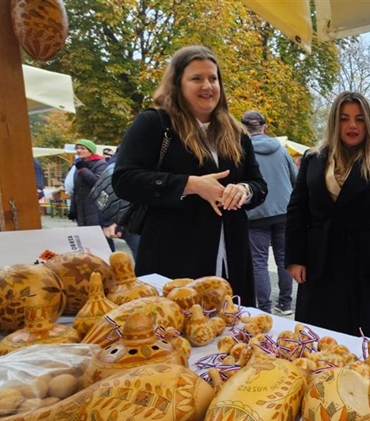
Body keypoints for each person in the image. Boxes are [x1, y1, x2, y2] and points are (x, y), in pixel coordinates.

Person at [112, 45, 267, 306]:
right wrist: (189, 184)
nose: (207, 85)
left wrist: (244, 190)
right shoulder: (155, 124)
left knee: (232, 332)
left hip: (232, 254)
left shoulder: (235, 131)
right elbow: (124, 179)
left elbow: (259, 184)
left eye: (213, 78)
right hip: (175, 255)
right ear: (178, 84)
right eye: (196, 78)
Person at [286, 91, 370, 344]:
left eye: (359, 119)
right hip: (319, 260)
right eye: (345, 118)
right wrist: (294, 259)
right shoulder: (313, 158)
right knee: (317, 338)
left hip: (364, 265)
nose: (352, 125)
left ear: (367, 123)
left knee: (363, 339)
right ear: (334, 122)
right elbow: (297, 210)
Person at [241, 109, 298, 316]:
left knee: (258, 261)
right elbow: (296, 179)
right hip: (284, 213)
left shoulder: (241, 151)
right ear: (265, 127)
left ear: (244, 129)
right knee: (284, 258)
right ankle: (285, 304)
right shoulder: (281, 149)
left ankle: (264, 308)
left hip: (255, 214)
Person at [90, 152, 141, 256]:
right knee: (147, 263)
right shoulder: (136, 146)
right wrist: (109, 221)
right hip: (135, 217)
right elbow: (111, 183)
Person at [71, 139, 113, 250]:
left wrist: (82, 169)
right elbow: (76, 190)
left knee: (102, 241)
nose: (79, 150)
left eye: (82, 148)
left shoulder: (101, 164)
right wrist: (73, 209)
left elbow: (97, 182)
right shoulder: (79, 165)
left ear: (91, 151)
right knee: (86, 242)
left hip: (96, 209)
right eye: (77, 148)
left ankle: (111, 263)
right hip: (82, 210)